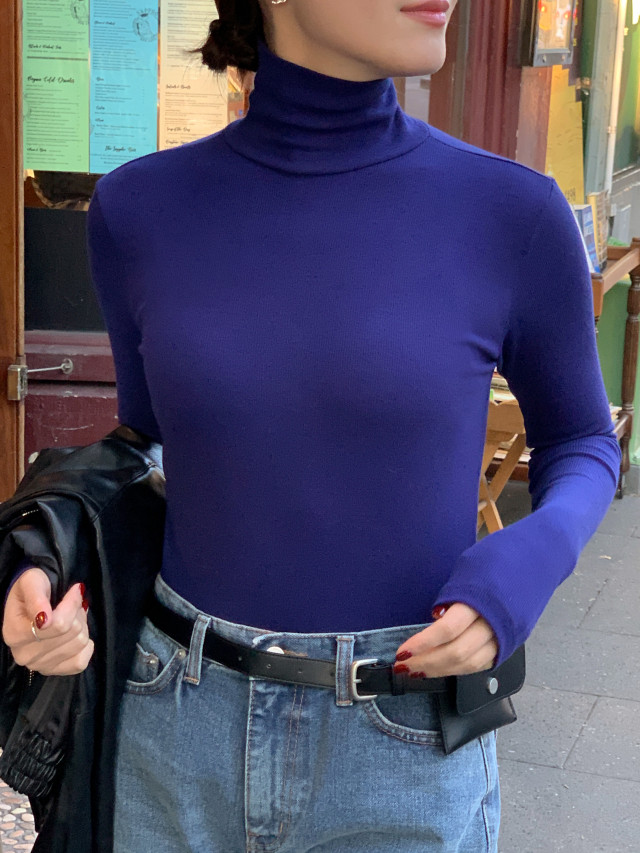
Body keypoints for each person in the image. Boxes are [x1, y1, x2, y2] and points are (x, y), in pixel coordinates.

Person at [1, 1, 621, 850]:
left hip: (403, 740)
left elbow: (581, 439)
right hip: (169, 725)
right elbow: (143, 444)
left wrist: (530, 559)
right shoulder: (138, 210)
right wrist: (41, 569)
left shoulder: (511, 213)